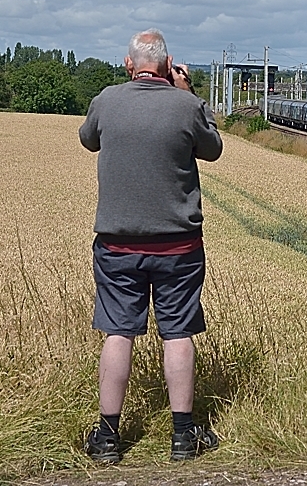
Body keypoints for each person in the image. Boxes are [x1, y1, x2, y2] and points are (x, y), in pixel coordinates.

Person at [78, 29, 223, 464]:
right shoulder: (187, 105)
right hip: (178, 245)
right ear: (168, 63)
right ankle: (183, 437)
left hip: (118, 245)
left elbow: (88, 140)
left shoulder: (106, 100)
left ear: (128, 64)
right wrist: (189, 92)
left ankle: (107, 439)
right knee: (177, 334)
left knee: (118, 332)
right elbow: (212, 149)